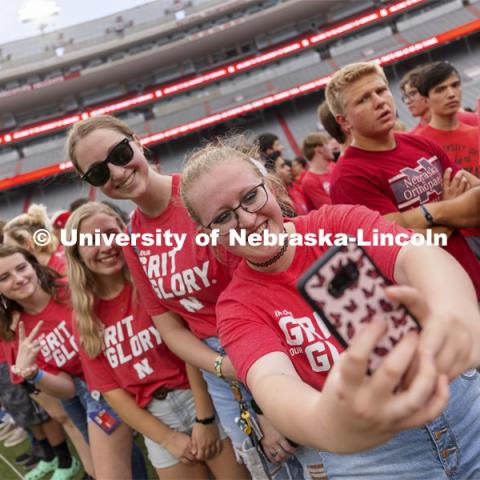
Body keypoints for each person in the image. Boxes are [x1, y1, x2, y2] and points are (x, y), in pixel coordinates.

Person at [180, 137, 480, 479]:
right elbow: (272, 381)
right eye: (223, 217)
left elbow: (417, 256)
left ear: (271, 186)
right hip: (376, 462)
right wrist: (332, 422)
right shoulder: (237, 308)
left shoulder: (337, 224)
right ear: (210, 234)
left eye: (250, 196)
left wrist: (454, 316)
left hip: (464, 408)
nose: (247, 220)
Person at [65, 116, 291, 479]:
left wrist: (257, 381)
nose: (117, 173)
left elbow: (264, 283)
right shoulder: (134, 241)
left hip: (270, 350)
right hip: (221, 374)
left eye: (120, 153)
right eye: (98, 173)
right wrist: (223, 369)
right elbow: (171, 329)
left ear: (137, 141)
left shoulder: (200, 195)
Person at [63, 201, 244, 479]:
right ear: (77, 254)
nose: (106, 246)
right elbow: (112, 392)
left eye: (111, 233)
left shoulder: (152, 283)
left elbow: (187, 345)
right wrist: (168, 438)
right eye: (90, 240)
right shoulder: (84, 318)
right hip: (156, 421)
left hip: (201, 400)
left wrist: (204, 418)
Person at [325, 62, 480, 298]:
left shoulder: (420, 143)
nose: (379, 101)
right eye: (363, 99)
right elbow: (399, 249)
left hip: (472, 278)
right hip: (434, 302)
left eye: (381, 90)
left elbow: (477, 201)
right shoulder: (348, 177)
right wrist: (450, 214)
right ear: (344, 122)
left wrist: (422, 217)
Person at [0, 244, 148, 480]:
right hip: (81, 391)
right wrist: (33, 374)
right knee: (112, 463)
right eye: (4, 277)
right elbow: (67, 389)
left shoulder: (72, 291)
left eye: (21, 268)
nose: (18, 279)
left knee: (114, 467)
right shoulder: (17, 330)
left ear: (34, 266)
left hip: (113, 376)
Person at [416, 61, 479, 177]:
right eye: (440, 90)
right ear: (425, 100)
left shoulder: (477, 134)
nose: (451, 94)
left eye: (455, 85)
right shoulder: (418, 144)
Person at [265, 151, 312, 216]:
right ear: (273, 174)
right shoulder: (276, 203)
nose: (288, 168)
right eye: (282, 166)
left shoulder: (296, 187)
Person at [300, 133, 335, 208]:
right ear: (319, 149)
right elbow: (331, 210)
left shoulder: (333, 166)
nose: (331, 148)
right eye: (327, 144)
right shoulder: (309, 181)